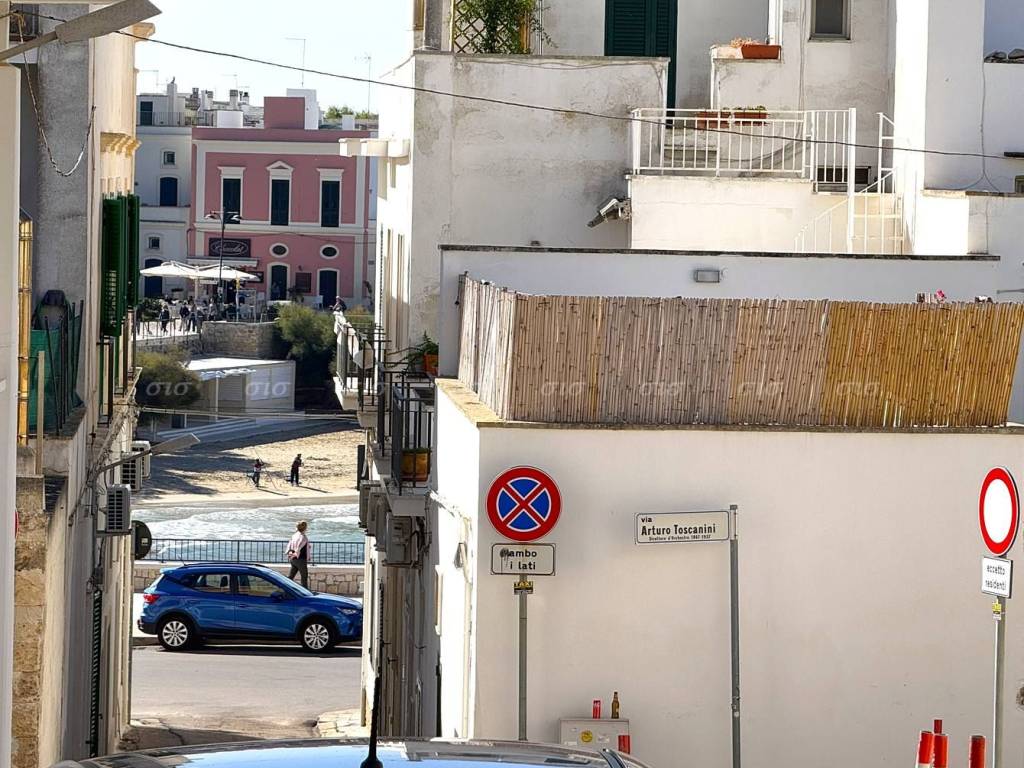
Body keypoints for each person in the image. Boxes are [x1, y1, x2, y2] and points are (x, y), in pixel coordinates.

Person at [285, 521, 311, 589]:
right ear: (305, 528)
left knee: (291, 576)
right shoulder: (303, 537)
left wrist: (290, 553)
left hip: (293, 559)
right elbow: (299, 547)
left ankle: (284, 589)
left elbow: (290, 546)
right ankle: (305, 593)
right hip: (300, 559)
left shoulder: (294, 535)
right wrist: (296, 552)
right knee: (304, 577)